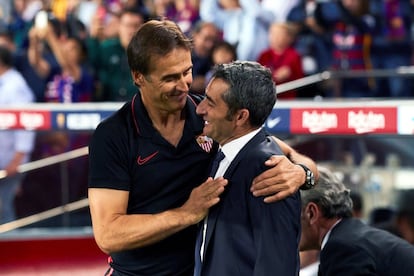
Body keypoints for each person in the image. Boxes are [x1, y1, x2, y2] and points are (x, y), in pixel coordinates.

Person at [88, 19, 318, 275]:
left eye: (186, 71)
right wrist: (186, 213)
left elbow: (286, 155)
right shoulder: (113, 135)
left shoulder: (210, 115)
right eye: (169, 78)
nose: (184, 85)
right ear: (138, 77)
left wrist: (300, 173)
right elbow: (108, 235)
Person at [194, 61, 301, 275]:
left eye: (211, 103)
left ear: (240, 116)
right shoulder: (221, 150)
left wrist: (303, 172)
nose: (200, 109)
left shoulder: (269, 171)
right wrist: (306, 171)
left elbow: (276, 267)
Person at [299, 166, 414, 275]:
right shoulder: (352, 237)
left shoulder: (341, 248)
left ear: (311, 213)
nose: (284, 228)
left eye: (290, 217)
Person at [0, 45, 35, 224]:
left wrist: (17, 159)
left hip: (10, 162)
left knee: (3, 208)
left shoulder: (16, 85)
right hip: (3, 161)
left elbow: (26, 122)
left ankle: (9, 248)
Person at [257, 22, 304, 99]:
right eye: (272, 34)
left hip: (287, 98)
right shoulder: (264, 55)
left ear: (289, 38)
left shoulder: (294, 55)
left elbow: (299, 79)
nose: (275, 37)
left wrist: (289, 74)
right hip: (266, 99)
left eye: (279, 34)